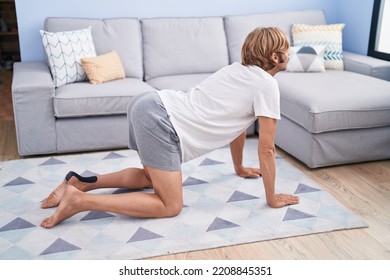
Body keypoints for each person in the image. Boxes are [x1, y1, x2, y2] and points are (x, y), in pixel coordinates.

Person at [40, 27, 299, 229]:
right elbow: (266, 149)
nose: (289, 53)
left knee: (151, 177)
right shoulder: (266, 84)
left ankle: (81, 182)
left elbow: (237, 125)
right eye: (286, 49)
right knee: (170, 204)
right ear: (275, 57)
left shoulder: (235, 70)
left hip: (149, 103)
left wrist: (239, 167)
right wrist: (272, 197)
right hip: (162, 120)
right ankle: (79, 201)